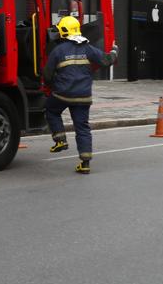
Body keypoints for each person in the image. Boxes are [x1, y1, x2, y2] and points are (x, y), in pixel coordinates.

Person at [43, 16, 119, 175]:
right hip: (83, 96)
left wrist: (51, 87)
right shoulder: (88, 48)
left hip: (62, 94)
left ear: (64, 31)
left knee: (51, 110)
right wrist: (114, 50)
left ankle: (60, 140)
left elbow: (47, 74)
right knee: (82, 127)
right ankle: (85, 163)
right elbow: (106, 60)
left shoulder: (58, 50)